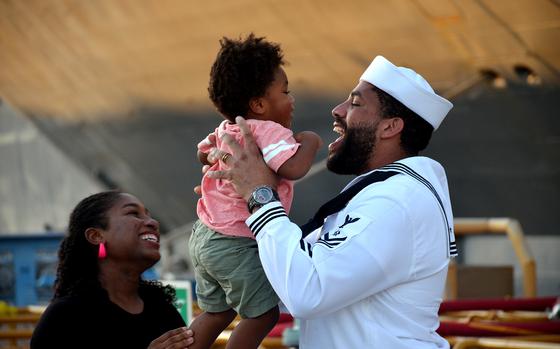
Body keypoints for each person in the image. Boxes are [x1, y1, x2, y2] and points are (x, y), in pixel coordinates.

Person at [203, 55, 458, 348]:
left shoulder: (395, 202)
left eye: (356, 103)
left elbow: (307, 291)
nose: (337, 111)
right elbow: (295, 271)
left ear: (390, 127)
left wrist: (258, 193)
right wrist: (229, 200)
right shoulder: (382, 192)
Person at [189, 33, 322, 349]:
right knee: (263, 317)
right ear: (260, 104)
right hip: (236, 242)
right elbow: (293, 168)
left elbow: (202, 153)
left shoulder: (227, 128)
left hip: (204, 235)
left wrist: (211, 159)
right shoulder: (268, 131)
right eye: (286, 92)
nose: (292, 99)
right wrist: (311, 141)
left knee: (216, 313)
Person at [31, 191, 194, 349]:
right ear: (96, 236)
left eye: (148, 215)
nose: (153, 222)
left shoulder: (160, 307)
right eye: (133, 213)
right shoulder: (64, 318)